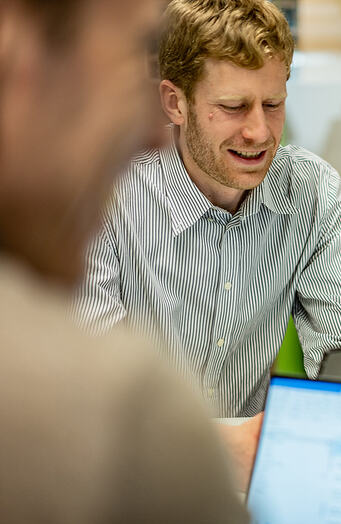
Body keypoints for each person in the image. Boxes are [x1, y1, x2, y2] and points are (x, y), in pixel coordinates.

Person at [0, 0, 248, 521]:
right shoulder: (123, 416)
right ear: (15, 52)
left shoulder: (313, 192)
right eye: (134, 51)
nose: (155, 134)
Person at [73, 0, 341, 417]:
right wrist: (227, 445)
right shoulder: (108, 194)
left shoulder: (312, 194)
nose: (259, 132)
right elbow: (90, 387)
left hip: (239, 477)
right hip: (120, 473)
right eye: (233, 107)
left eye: (272, 105)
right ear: (174, 103)